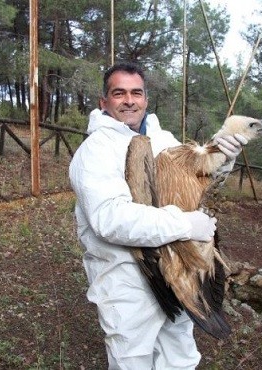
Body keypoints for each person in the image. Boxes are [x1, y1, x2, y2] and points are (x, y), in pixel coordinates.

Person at [68, 61, 246, 369]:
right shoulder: (95, 150)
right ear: (104, 101)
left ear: (146, 99)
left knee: (180, 358)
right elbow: (110, 219)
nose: (129, 100)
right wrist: (185, 224)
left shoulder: (164, 140)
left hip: (175, 271)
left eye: (136, 92)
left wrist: (223, 155)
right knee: (131, 361)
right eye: (119, 93)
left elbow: (194, 180)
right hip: (125, 279)